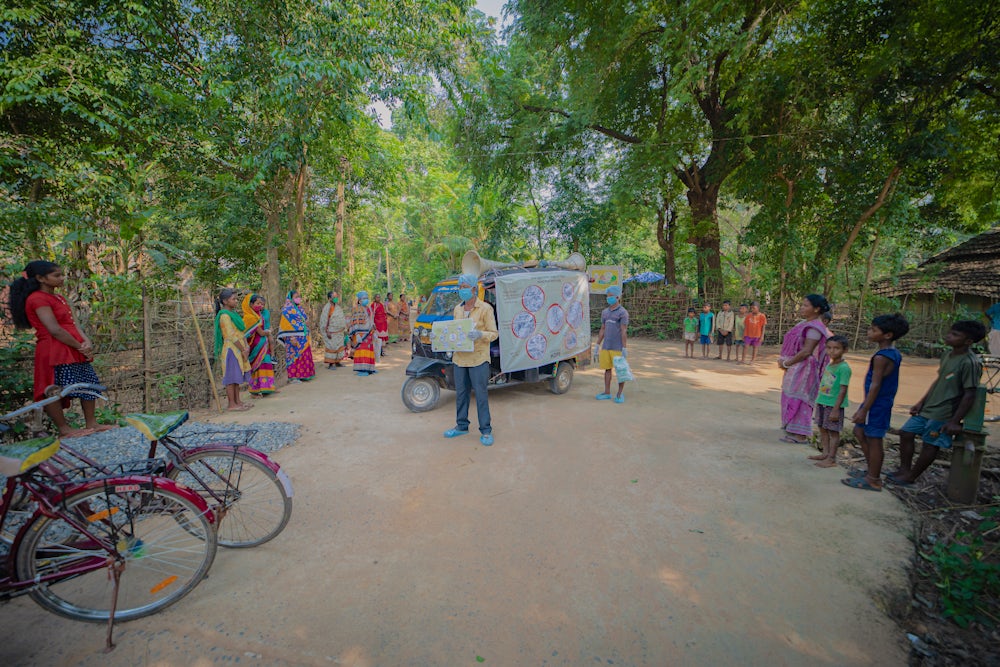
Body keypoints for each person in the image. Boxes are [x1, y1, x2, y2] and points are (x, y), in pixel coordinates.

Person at [8, 260, 115, 436]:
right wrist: (79, 346)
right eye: (57, 275)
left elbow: (73, 324)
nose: (62, 278)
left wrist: (85, 341)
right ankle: (64, 429)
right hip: (55, 350)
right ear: (41, 278)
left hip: (73, 347)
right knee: (54, 389)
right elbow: (54, 329)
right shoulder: (37, 299)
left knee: (88, 382)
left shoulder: (58, 297)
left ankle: (92, 423)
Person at [887, 321, 986, 487]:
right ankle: (904, 470)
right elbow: (939, 380)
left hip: (944, 412)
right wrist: (921, 402)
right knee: (906, 433)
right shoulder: (948, 354)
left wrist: (954, 420)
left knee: (930, 444)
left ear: (968, 341)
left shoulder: (970, 363)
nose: (949, 336)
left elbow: (970, 394)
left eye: (955, 335)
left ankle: (912, 476)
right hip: (929, 407)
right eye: (951, 332)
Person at [842, 313, 910, 492]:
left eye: (874, 330)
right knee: (859, 431)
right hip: (876, 402)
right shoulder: (891, 353)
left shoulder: (882, 357)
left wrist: (864, 409)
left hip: (877, 404)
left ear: (887, 335)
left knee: (874, 439)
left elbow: (876, 385)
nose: (869, 332)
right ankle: (871, 470)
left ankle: (873, 479)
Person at [443, 274, 498, 445]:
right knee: (461, 394)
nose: (462, 290)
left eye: (465, 287)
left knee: (481, 395)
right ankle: (461, 426)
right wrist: (444, 340)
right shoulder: (457, 309)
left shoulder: (485, 309)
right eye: (460, 287)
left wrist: (480, 334)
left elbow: (494, 334)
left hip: (478, 359)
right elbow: (455, 331)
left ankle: (486, 430)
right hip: (460, 359)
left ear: (474, 289)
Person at [778, 294, 831, 443]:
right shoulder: (805, 323)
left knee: (801, 398)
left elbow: (807, 351)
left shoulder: (814, 327)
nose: (802, 308)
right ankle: (793, 430)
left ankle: (800, 434)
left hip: (805, 369)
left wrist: (787, 363)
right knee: (792, 395)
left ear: (816, 309)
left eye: (806, 305)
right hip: (798, 366)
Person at [810, 335, 851, 468]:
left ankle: (832, 458)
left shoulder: (844, 368)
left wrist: (835, 409)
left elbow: (843, 389)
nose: (832, 351)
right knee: (822, 428)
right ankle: (825, 453)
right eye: (829, 348)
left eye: (836, 348)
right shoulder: (830, 364)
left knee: (833, 432)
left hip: (833, 405)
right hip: (823, 401)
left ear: (845, 350)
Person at [214, 288, 252, 411]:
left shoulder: (234, 314)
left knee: (237, 375)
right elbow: (230, 335)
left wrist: (246, 347)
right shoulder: (224, 316)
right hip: (232, 349)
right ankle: (231, 404)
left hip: (239, 347)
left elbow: (241, 332)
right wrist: (243, 349)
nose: (236, 301)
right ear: (225, 301)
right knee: (231, 377)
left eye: (236, 299)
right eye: (233, 299)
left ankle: (238, 401)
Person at [595, 285, 629, 403]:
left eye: (610, 296)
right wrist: (597, 344)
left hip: (617, 347)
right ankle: (607, 392)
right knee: (607, 369)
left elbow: (623, 330)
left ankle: (619, 394)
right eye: (607, 296)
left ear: (617, 297)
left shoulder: (622, 312)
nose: (608, 298)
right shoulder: (605, 312)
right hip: (606, 346)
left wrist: (624, 347)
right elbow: (602, 328)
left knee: (620, 371)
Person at [242, 293, 277, 397]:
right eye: (258, 303)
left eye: (262, 304)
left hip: (263, 345)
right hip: (255, 346)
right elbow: (261, 333)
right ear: (251, 304)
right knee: (257, 366)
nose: (260, 306)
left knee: (266, 364)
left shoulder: (260, 315)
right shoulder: (250, 317)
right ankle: (255, 390)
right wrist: (269, 331)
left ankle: (267, 388)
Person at [277, 290, 316, 383]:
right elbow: (286, 325)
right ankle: (293, 377)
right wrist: (292, 338)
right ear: (290, 298)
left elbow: (305, 320)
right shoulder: (287, 310)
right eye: (296, 296)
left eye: (299, 296)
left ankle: (303, 375)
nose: (298, 298)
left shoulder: (299, 308)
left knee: (303, 356)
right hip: (293, 337)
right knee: (293, 356)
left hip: (303, 337)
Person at [349, 291, 377, 376]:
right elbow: (354, 322)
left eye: (367, 298)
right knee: (362, 350)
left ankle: (370, 368)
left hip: (369, 333)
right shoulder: (356, 309)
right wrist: (357, 334)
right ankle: (362, 369)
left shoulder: (368, 308)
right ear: (360, 300)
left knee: (369, 349)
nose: (366, 300)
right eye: (364, 298)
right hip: (361, 334)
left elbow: (371, 320)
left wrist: (373, 328)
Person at [319, 291, 347, 369]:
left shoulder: (338, 307)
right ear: (329, 298)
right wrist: (326, 331)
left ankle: (338, 362)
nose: (336, 298)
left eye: (336, 296)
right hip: (331, 332)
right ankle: (331, 364)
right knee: (332, 347)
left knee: (339, 347)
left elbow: (341, 318)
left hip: (339, 332)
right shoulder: (327, 308)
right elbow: (324, 320)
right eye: (334, 297)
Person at [372, 293, 388, 357]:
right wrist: (373, 324)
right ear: (374, 298)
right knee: (377, 338)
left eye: (379, 297)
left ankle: (382, 351)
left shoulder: (381, 304)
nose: (378, 298)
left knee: (382, 339)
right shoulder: (373, 305)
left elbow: (385, 312)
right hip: (377, 323)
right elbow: (372, 315)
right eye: (377, 297)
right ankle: (378, 352)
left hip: (383, 323)